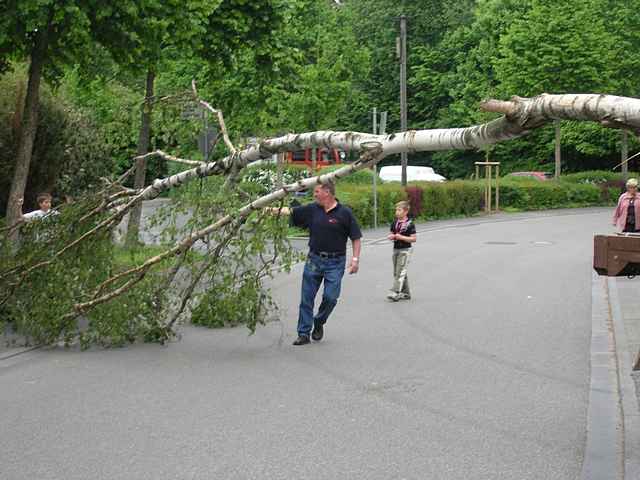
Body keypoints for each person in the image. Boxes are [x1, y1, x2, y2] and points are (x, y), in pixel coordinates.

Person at [269, 182, 362, 345]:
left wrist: (355, 260)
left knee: (331, 298)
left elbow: (356, 237)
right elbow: (289, 212)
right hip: (314, 260)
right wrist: (266, 210)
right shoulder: (313, 209)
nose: (314, 194)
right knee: (306, 299)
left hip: (335, 262)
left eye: (317, 191)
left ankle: (318, 322)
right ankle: (303, 333)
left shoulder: (344, 213)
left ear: (327, 192)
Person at [386, 201, 416, 302]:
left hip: (405, 250)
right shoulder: (394, 223)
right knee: (398, 271)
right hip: (396, 249)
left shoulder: (410, 224)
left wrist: (401, 237)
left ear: (406, 211)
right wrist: (391, 237)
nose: (397, 212)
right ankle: (406, 293)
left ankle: (395, 292)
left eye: (399, 210)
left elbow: (413, 239)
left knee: (400, 271)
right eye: (396, 210)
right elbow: (392, 234)